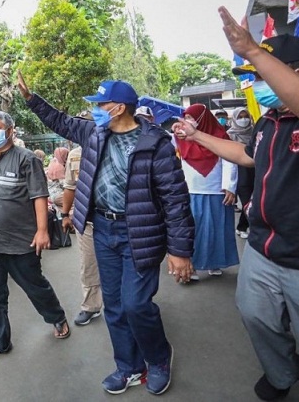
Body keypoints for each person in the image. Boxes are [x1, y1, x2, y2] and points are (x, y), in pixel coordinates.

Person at [173, 13, 299, 402]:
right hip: (264, 248)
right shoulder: (270, 122)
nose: (256, 85)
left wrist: (252, 49)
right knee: (255, 314)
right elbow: (246, 156)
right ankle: (284, 372)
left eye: (261, 74)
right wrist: (198, 136)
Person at [19, 73, 194, 396]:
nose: (95, 110)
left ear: (119, 108)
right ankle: (128, 366)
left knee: (136, 304)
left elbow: (175, 199)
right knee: (113, 304)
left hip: (140, 232)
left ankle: (158, 359)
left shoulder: (155, 144)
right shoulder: (94, 134)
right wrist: (32, 100)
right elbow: (61, 121)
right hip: (103, 229)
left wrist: (180, 251)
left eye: (101, 104)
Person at [0, 111, 69, 362]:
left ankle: (56, 317)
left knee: (35, 286)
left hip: (21, 242)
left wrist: (42, 231)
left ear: (10, 130)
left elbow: (40, 196)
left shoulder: (27, 160)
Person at [176, 104, 238, 280]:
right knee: (193, 231)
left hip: (216, 190)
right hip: (191, 191)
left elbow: (229, 160)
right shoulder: (181, 138)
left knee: (217, 229)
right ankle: (191, 267)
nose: (188, 121)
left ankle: (214, 262)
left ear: (202, 118)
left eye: (191, 117)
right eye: (186, 118)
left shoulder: (219, 137)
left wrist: (229, 186)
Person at [60, 144, 104, 327]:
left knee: (120, 264)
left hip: (117, 220)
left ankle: (127, 304)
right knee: (89, 264)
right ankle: (91, 306)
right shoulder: (75, 155)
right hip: (86, 220)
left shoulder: (115, 145)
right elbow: (70, 187)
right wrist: (64, 214)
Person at [226, 107, 255, 239]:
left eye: (246, 116)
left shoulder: (255, 132)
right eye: (240, 117)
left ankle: (241, 226)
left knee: (253, 201)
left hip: (256, 171)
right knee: (247, 202)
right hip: (239, 173)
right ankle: (256, 232)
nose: (244, 119)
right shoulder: (229, 135)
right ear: (235, 119)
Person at [45, 147, 69, 211]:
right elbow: (65, 184)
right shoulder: (59, 166)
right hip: (58, 195)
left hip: (50, 195)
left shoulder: (52, 163)